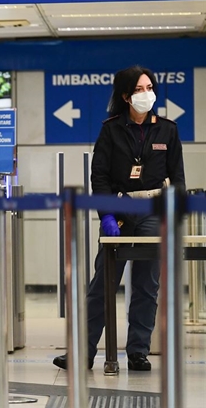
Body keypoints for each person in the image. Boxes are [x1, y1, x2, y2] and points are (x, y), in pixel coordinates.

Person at [53, 65, 185, 372]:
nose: (146, 94)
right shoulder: (111, 129)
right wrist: (107, 214)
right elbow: (99, 175)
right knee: (103, 282)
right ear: (126, 96)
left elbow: (177, 177)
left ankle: (138, 350)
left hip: (155, 212)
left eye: (149, 87)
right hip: (122, 211)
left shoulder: (167, 129)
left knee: (146, 284)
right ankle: (82, 352)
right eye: (139, 90)